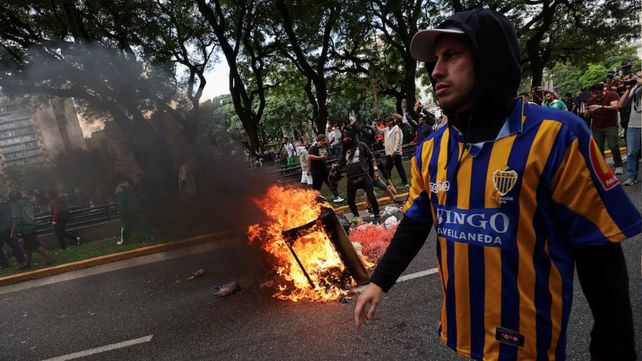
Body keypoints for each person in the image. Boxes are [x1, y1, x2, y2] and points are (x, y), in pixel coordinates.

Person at [354, 9, 641, 361]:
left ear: (490, 58)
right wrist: (379, 281)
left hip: (530, 346)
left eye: (452, 55)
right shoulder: (431, 149)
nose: (436, 70)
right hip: (464, 337)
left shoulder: (557, 136)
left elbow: (600, 260)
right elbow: (415, 222)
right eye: (435, 59)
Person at [337, 128, 380, 223]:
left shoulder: (361, 145)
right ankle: (357, 216)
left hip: (364, 176)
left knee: (371, 197)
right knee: (350, 200)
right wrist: (336, 166)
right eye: (344, 138)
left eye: (348, 137)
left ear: (352, 137)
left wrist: (375, 171)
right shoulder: (344, 150)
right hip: (351, 178)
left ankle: (377, 215)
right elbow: (341, 163)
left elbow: (372, 157)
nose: (346, 139)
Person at [586, 83, 624, 175]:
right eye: (594, 93)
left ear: (603, 90)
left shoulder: (612, 95)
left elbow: (615, 106)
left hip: (610, 125)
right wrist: (587, 113)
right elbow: (587, 115)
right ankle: (603, 167)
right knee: (598, 148)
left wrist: (600, 106)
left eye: (598, 93)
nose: (596, 96)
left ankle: (618, 165)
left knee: (613, 145)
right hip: (596, 127)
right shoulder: (591, 100)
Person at [9, 190, 54, 268]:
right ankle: (28, 263)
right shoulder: (27, 202)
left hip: (25, 228)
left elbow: (16, 220)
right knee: (28, 246)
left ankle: (50, 258)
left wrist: (13, 232)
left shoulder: (16, 205)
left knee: (35, 245)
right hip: (32, 225)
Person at [619, 70, 642, 185]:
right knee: (632, 152)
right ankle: (632, 176)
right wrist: (628, 88)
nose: (636, 78)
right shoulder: (634, 89)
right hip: (633, 124)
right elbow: (620, 104)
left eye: (639, 77)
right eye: (636, 76)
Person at [114, 178, 153, 245]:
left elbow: (121, 204)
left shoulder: (120, 191)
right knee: (143, 224)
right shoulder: (131, 189)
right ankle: (150, 237)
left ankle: (124, 241)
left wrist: (121, 212)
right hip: (136, 209)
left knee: (126, 226)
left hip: (128, 212)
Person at [307, 134, 344, 203]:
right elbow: (309, 156)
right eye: (324, 140)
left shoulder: (323, 147)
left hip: (324, 169)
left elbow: (324, 158)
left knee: (330, 182)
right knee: (316, 187)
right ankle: (315, 201)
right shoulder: (313, 147)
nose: (325, 142)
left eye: (325, 140)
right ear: (320, 140)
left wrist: (330, 165)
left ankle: (337, 197)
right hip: (316, 171)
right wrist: (308, 169)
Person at [0, 195, 27, 269]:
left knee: (14, 246)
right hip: (10, 228)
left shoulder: (5, 206)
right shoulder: (7, 205)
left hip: (4, 230)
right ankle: (22, 261)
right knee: (15, 246)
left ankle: (4, 263)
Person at [382, 116, 408, 188]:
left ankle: (405, 182)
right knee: (387, 168)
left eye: (387, 121)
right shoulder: (386, 129)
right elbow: (379, 131)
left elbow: (398, 140)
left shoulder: (396, 129)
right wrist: (374, 126)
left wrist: (395, 151)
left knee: (399, 167)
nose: (386, 123)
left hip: (395, 153)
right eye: (385, 121)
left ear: (391, 122)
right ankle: (389, 183)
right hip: (389, 153)